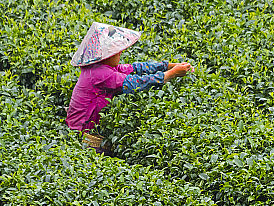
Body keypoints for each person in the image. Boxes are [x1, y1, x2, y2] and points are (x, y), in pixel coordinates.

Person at [66, 22, 192, 154]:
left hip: (85, 127)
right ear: (106, 55)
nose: (120, 53)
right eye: (115, 51)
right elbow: (135, 83)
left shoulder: (101, 67)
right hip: (81, 134)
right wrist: (172, 74)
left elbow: (136, 68)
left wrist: (169, 66)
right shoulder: (100, 74)